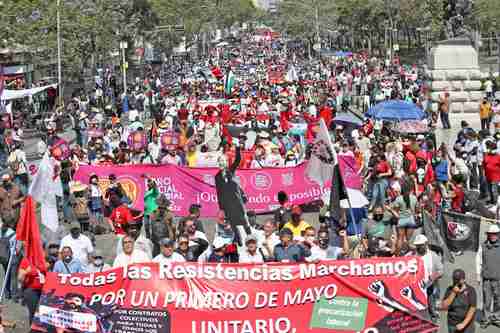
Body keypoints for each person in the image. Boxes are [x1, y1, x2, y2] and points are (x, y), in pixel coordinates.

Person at [410, 235, 443, 322]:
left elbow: (440, 270)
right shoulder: (412, 256)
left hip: (429, 285)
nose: (419, 247)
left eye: (420, 245)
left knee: (430, 302)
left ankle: (433, 317)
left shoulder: (433, 256)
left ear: (426, 244)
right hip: (416, 286)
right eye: (417, 245)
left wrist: (433, 276)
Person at [476, 224, 500, 328]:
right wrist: (478, 275)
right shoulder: (483, 246)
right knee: (487, 300)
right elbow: (478, 261)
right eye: (491, 234)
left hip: (499, 279)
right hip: (487, 280)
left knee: (498, 300)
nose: (493, 236)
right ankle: (486, 319)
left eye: (495, 234)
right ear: (488, 235)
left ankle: (496, 317)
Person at [18, 256, 47, 324]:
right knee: (34, 313)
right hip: (32, 290)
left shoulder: (45, 258)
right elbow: (20, 278)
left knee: (44, 312)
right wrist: (26, 272)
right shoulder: (26, 260)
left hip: (45, 290)